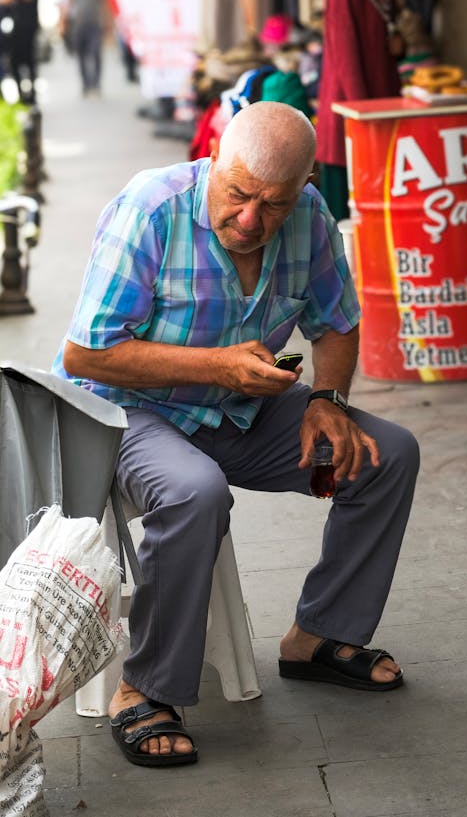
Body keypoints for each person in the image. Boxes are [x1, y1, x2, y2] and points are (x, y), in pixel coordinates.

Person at [52, 101, 419, 768]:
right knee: (196, 491)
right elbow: (85, 355)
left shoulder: (308, 217)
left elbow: (335, 320)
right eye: (239, 194)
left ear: (304, 187)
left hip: (238, 412)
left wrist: (330, 399)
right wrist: (216, 365)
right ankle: (144, 689)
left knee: (386, 453)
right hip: (126, 411)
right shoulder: (153, 207)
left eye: (273, 205)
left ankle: (319, 635)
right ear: (215, 159)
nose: (252, 220)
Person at [315, 0, 404, 222]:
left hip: (377, 114)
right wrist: (363, 119)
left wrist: (398, 46)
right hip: (351, 122)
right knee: (347, 222)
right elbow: (347, 61)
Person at [63, 0, 105, 96]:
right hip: (79, 26)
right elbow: (69, 3)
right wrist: (63, 21)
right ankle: (86, 85)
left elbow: (104, 4)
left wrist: (107, 22)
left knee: (95, 53)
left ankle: (96, 84)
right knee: (81, 56)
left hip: (94, 25)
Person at [8, 0, 44, 104]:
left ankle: (33, 95)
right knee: (15, 61)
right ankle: (22, 95)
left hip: (29, 26)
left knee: (30, 61)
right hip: (16, 26)